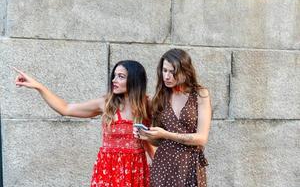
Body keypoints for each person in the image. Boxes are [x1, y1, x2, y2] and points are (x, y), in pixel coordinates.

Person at [14, 60, 154, 187]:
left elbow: (152, 139)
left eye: (121, 76)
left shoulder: (147, 104)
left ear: (135, 80)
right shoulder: (105, 104)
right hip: (108, 169)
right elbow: (65, 108)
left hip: (136, 169)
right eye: (114, 75)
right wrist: (39, 86)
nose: (114, 80)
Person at [137, 49, 212, 187]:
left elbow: (202, 138)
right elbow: (159, 141)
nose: (166, 76)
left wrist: (166, 134)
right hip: (163, 164)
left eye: (172, 72)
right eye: (164, 70)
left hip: (190, 165)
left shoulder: (200, 94)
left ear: (186, 71)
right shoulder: (160, 98)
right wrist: (148, 136)